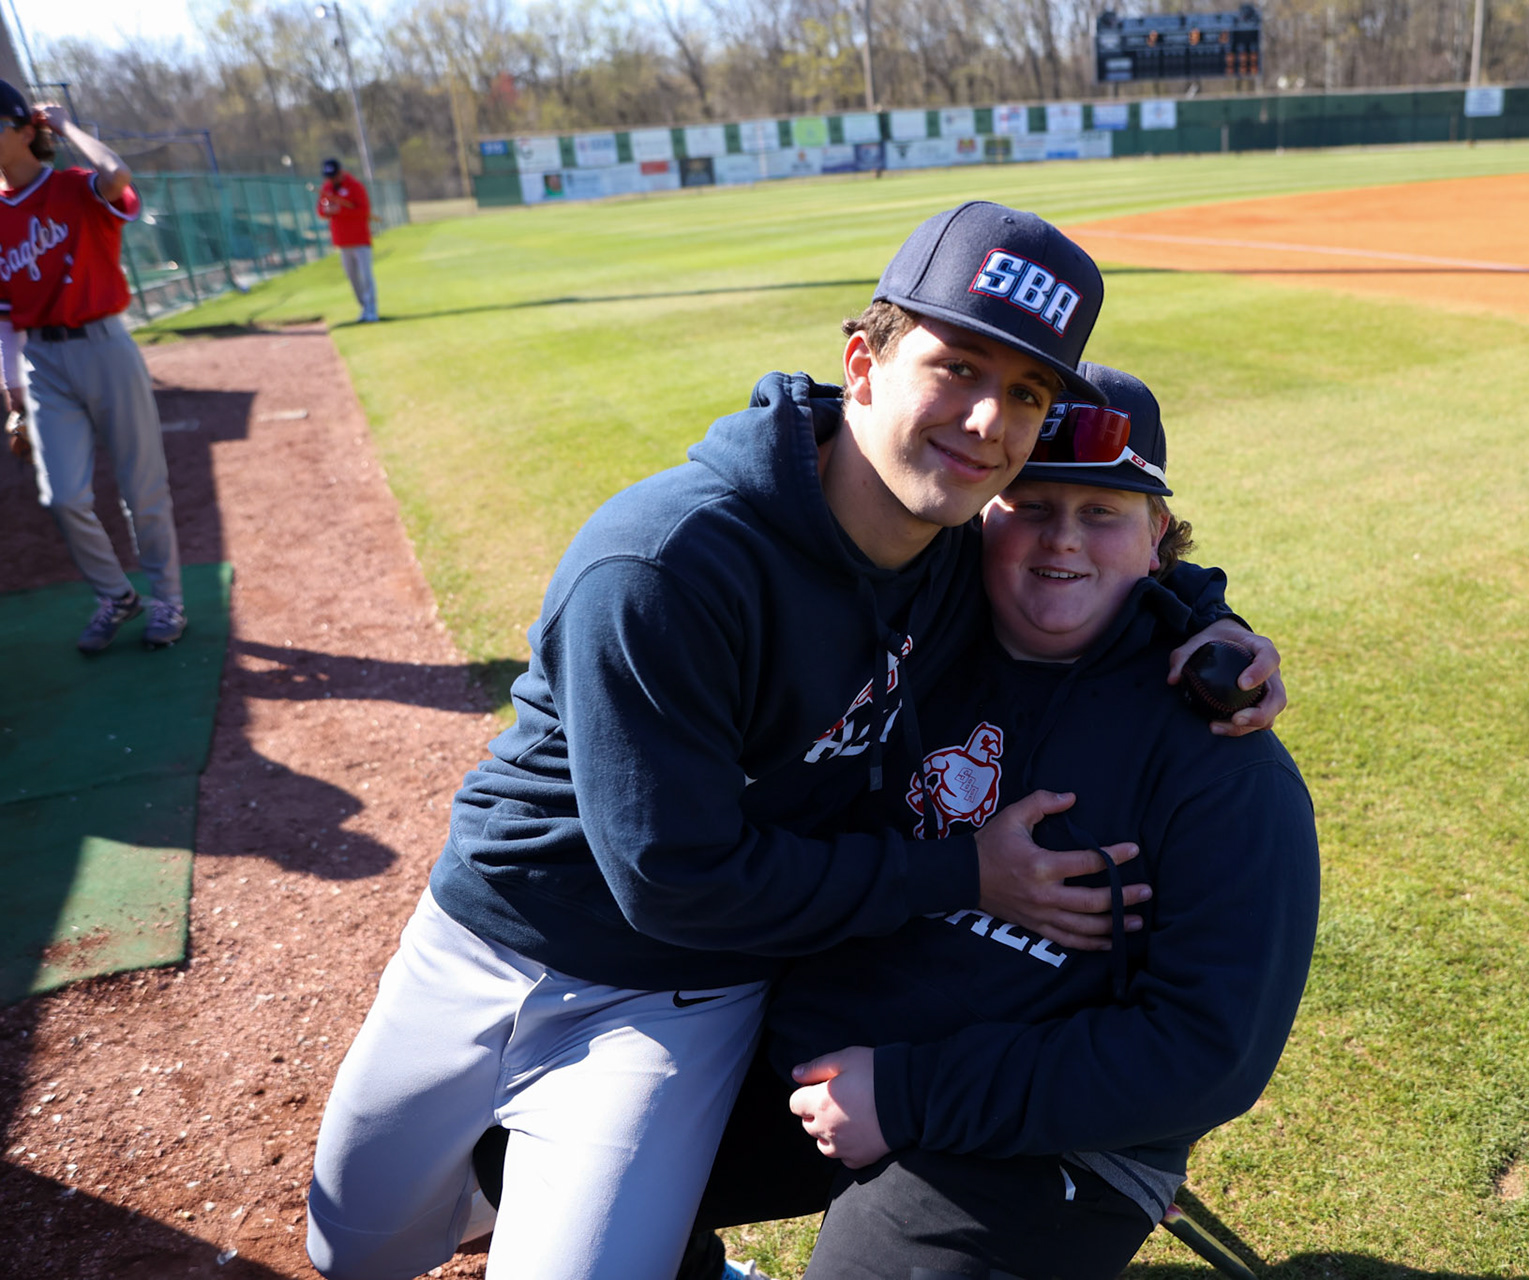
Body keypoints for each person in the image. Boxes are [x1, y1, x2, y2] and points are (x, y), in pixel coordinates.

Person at [305, 202, 1284, 1280]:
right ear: (861, 362)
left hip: (693, 988)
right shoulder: (664, 567)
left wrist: (1205, 620)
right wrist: (967, 867)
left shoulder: (964, 550)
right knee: (355, 1247)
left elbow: (1097, 547)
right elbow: (675, 881)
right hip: (505, 934)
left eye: (1024, 392)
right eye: (956, 366)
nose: (984, 421)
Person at [679, 362, 1320, 1280]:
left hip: (1058, 1131)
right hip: (821, 1055)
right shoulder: (911, 648)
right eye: (1030, 504)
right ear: (976, 518)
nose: (1063, 540)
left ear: (1158, 541)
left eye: (1104, 513)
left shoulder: (1223, 756)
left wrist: (910, 1095)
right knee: (531, 1165)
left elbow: (1207, 1055)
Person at [0, 82, 187, 652]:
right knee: (63, 496)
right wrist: (10, 387)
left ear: (26, 130)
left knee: (142, 486)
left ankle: (168, 602)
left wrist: (68, 126)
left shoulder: (78, 188)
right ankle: (117, 596)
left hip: (105, 345)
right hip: (42, 362)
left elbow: (120, 174)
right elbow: (5, 315)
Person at [316, 157, 377, 323]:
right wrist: (328, 210)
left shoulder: (355, 186)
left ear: (340, 172)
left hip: (360, 240)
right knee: (352, 278)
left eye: (334, 175)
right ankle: (364, 307)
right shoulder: (327, 188)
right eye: (329, 176)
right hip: (342, 242)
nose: (331, 179)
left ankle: (372, 310)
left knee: (365, 276)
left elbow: (364, 210)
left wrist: (339, 210)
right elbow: (321, 210)